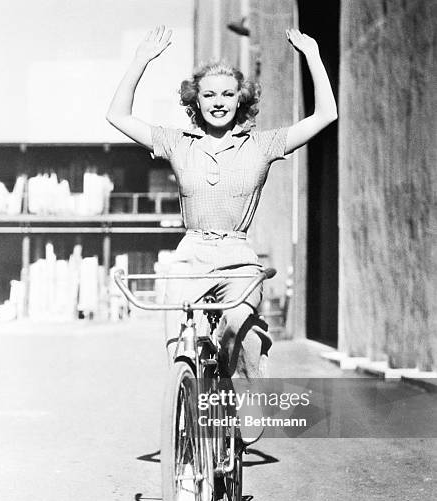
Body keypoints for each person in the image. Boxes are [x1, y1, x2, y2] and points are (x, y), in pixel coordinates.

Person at [106, 25, 337, 441]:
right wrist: (141, 59)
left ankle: (247, 390)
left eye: (228, 94)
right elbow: (117, 116)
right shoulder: (178, 143)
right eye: (209, 94)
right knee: (177, 336)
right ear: (195, 100)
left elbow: (326, 116)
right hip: (191, 251)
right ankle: (188, 429)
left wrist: (314, 57)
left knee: (238, 323)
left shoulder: (263, 145)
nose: (218, 103)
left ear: (241, 99)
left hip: (237, 254)